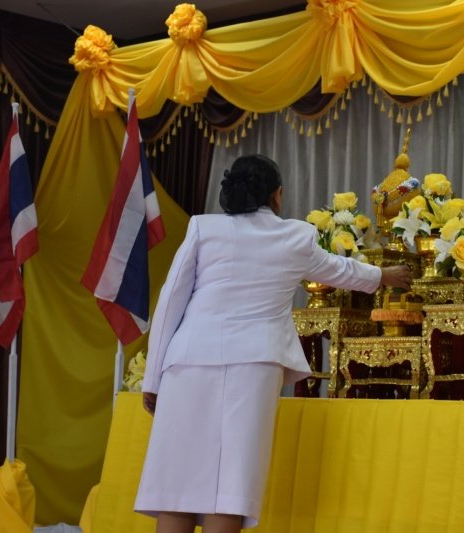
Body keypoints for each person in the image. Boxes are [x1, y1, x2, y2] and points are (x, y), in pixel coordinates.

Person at [134, 155, 412, 533]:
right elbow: (341, 270)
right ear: (276, 194)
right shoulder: (296, 236)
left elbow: (170, 303)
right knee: (230, 488)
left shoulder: (203, 227)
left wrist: (153, 379)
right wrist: (384, 275)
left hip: (189, 363)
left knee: (176, 486)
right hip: (253, 368)